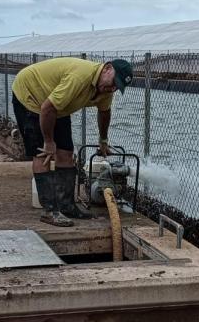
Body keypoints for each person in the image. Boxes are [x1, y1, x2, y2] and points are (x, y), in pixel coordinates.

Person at [11, 57, 134, 226]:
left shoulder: (105, 90)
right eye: (113, 82)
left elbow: (104, 112)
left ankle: (66, 206)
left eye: (117, 87)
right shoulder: (79, 77)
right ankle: (49, 211)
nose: (112, 88)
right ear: (107, 68)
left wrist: (103, 140)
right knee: (43, 154)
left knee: (66, 153)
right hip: (31, 94)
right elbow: (47, 108)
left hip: (57, 103)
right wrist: (48, 142)